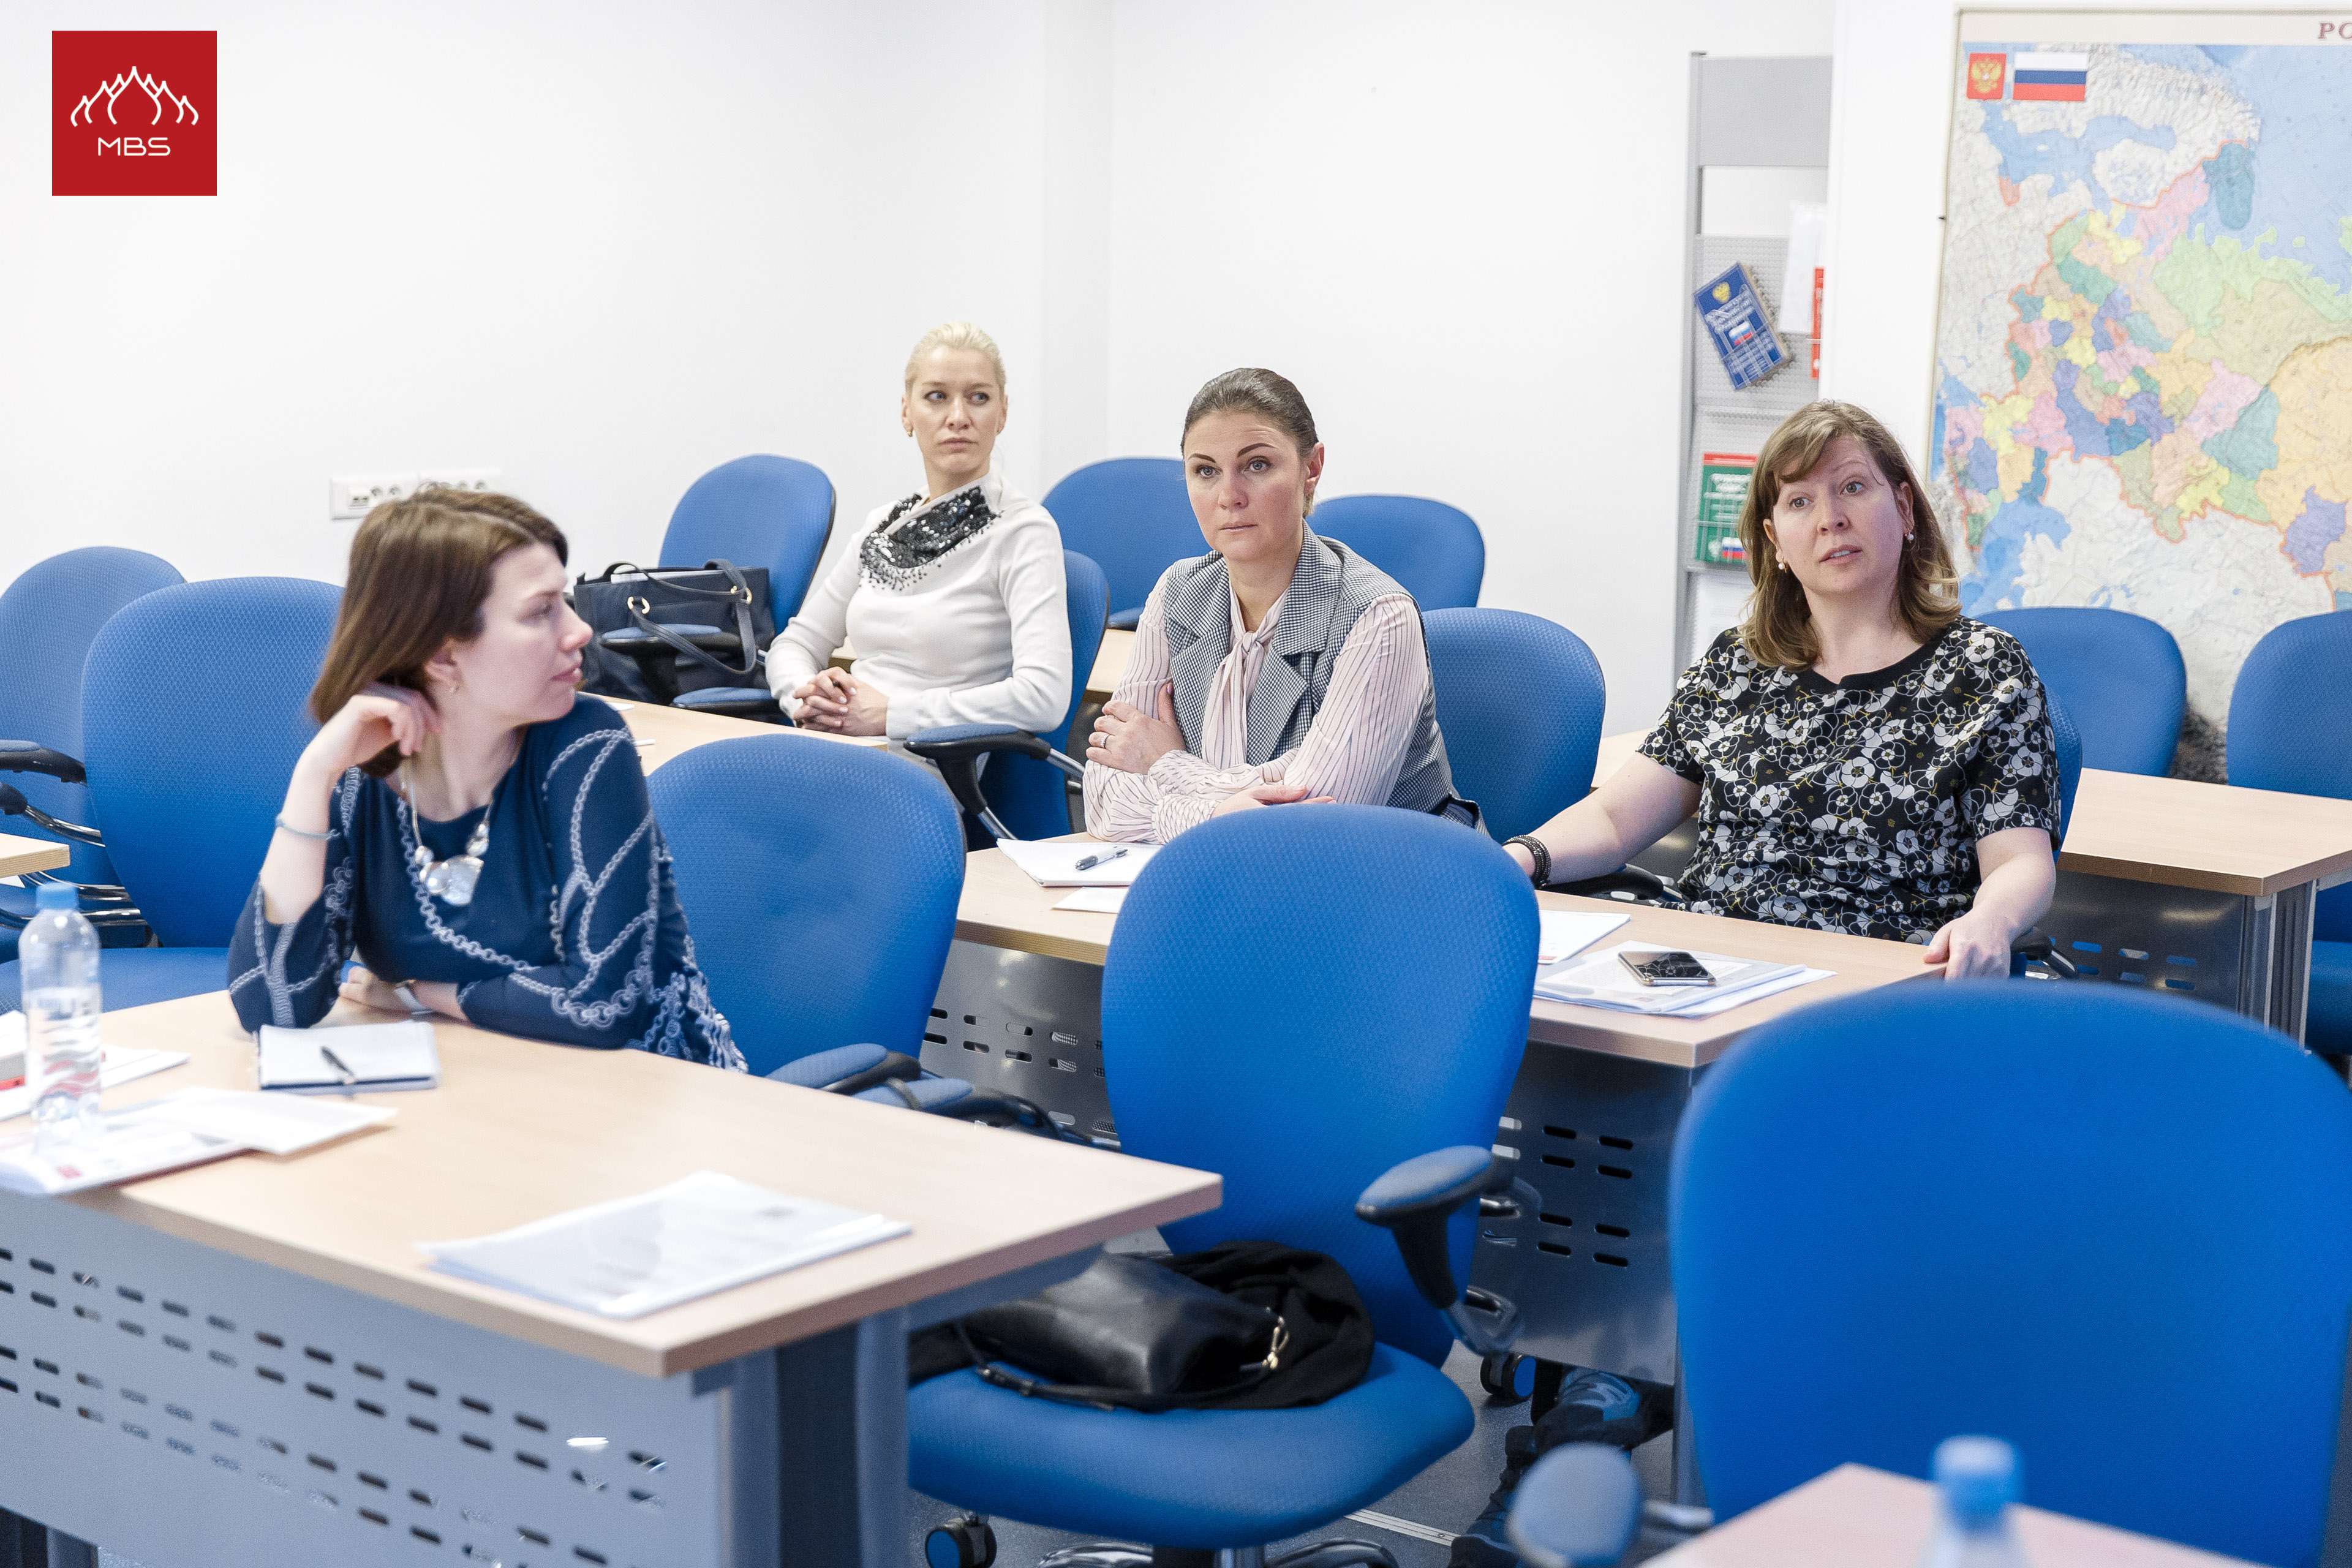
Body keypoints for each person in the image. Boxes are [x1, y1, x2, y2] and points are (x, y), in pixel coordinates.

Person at [1503, 400, 2058, 979]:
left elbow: (2019, 862)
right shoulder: (1736, 664)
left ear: (1904, 507)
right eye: (1800, 502)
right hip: (1709, 971)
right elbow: (1615, 820)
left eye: (1852, 487)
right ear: (1775, 541)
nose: (1830, 519)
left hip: (1881, 977)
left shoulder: (1984, 669)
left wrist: (1990, 921)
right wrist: (1518, 859)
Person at [227, 489, 744, 1069]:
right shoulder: (364, 777)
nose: (580, 631)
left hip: (645, 1087)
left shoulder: (586, 746)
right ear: (444, 657)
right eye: (541, 611)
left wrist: (418, 995)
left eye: (564, 602)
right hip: (482, 1084)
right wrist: (314, 775)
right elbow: (271, 1006)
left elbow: (600, 1007)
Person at [1084, 368, 1464, 843]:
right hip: (1219, 869)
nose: (1229, 497)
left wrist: (1165, 764)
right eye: (1206, 471)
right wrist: (1218, 814)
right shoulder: (1177, 592)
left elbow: (1310, 826)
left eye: (1257, 465)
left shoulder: (1379, 617)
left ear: (1312, 468)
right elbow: (1101, 798)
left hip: (1392, 872)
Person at [764, 321, 1072, 743]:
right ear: (907, 412)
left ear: (1002, 414)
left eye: (978, 398)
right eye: (937, 397)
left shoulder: (1023, 530)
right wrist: (808, 697)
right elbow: (794, 644)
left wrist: (891, 715)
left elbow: (1043, 697)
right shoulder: (882, 526)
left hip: (923, 757)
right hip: (838, 741)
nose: (958, 417)